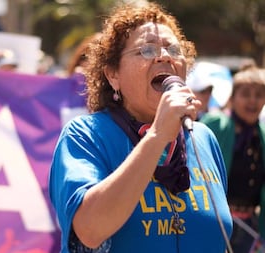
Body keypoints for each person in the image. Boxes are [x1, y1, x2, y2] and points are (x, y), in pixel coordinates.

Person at [48, 2, 233, 252]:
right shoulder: (85, 135)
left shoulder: (203, 137)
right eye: (146, 50)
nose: (164, 56)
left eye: (174, 49)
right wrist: (157, 136)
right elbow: (89, 231)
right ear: (113, 75)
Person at [200, 65, 265, 252]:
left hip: (250, 225)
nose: (252, 101)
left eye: (259, 95)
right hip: (218, 220)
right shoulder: (216, 125)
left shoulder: (261, 135)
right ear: (233, 97)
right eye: (246, 94)